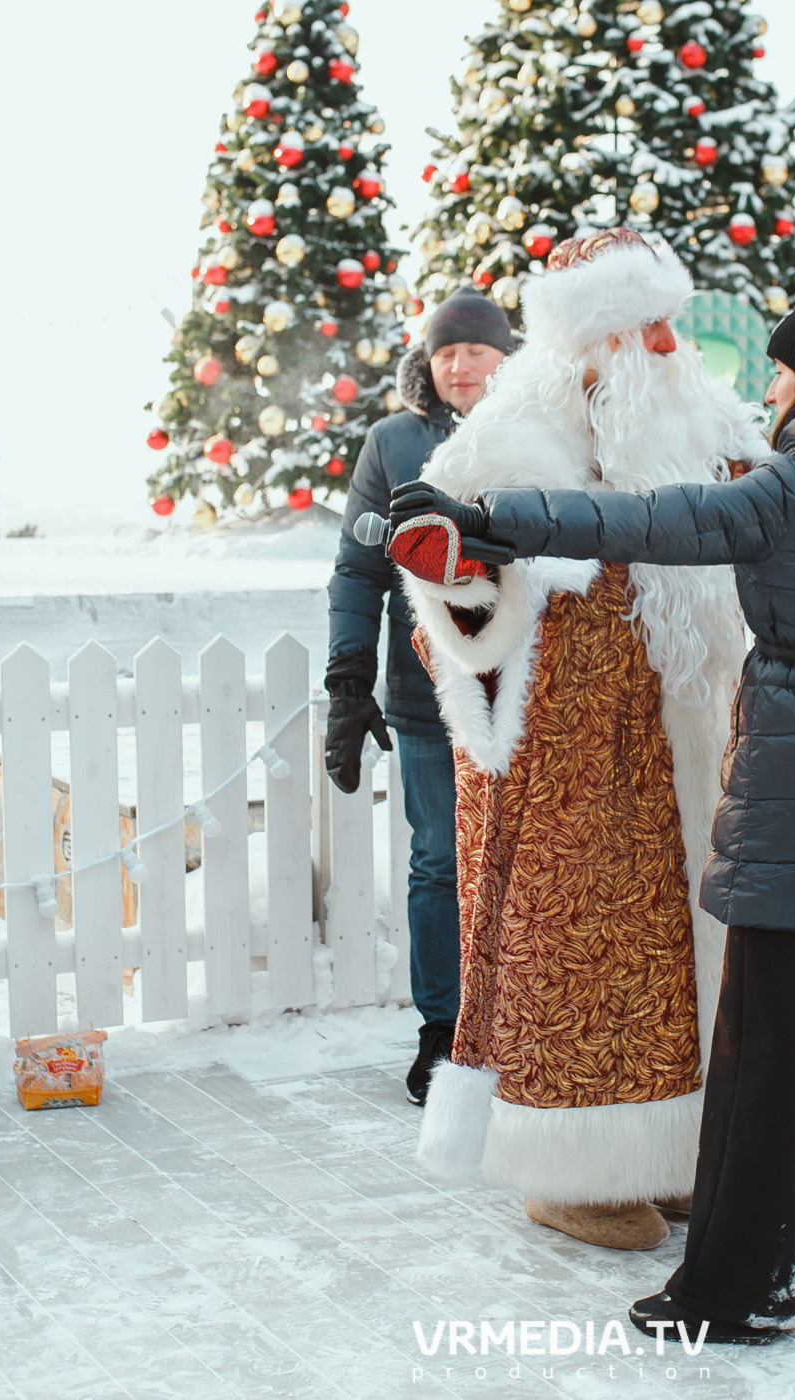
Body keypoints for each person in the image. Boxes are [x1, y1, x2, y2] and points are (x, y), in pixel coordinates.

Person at [390, 276, 795, 1340]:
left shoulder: (794, 481)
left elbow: (651, 520)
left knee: (768, 1031)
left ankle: (741, 1280)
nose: (756, 380)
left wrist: (491, 521)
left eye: (783, 369)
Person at [402, 229, 753, 1252]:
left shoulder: (696, 418)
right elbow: (457, 584)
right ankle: (569, 1167)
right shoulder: (518, 433)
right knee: (577, 953)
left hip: (674, 737)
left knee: (682, 952)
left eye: (667, 321)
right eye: (640, 324)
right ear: (589, 336)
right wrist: (470, 576)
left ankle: (677, 1149)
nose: (664, 343)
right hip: (569, 756)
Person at [326, 286, 515, 1106]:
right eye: (446, 354)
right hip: (428, 693)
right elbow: (359, 569)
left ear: (506, 357)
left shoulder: (543, 430)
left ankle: (521, 1020)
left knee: (527, 859)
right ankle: (443, 1028)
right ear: (427, 365)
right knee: (440, 860)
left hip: (526, 685)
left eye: (475, 351)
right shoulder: (393, 443)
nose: (461, 366)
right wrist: (346, 684)